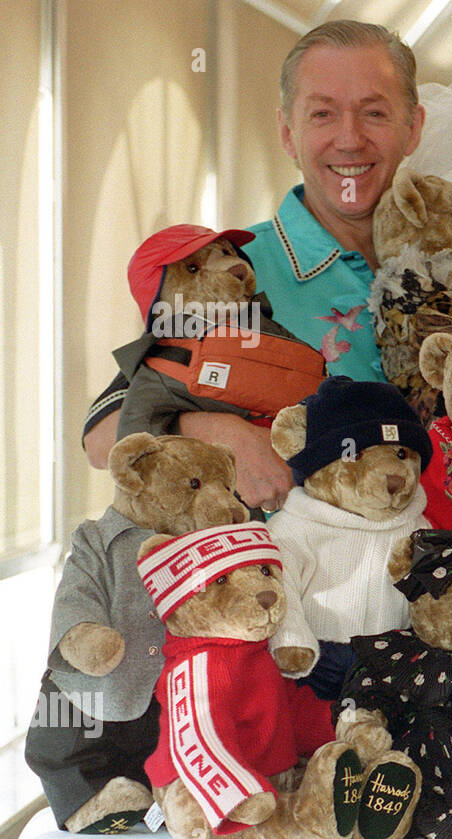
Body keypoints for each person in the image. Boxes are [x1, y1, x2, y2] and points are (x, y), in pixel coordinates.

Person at [82, 21, 425, 513]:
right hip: (287, 582)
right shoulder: (232, 276)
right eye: (323, 114)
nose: (350, 139)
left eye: (374, 113)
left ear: (413, 127)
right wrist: (213, 430)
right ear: (288, 132)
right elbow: (102, 433)